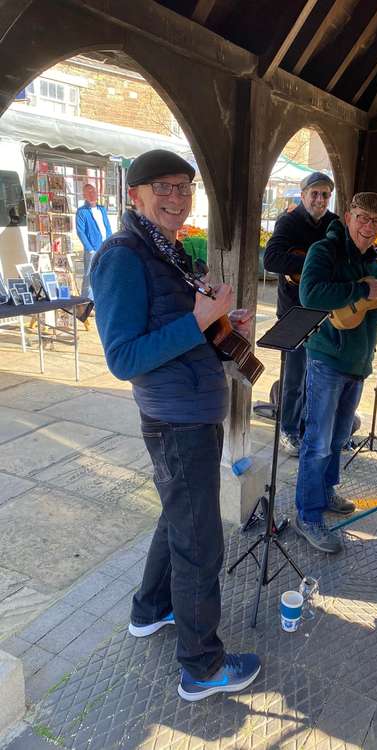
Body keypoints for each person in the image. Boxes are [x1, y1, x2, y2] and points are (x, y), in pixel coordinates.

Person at [90, 149, 261, 702]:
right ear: (134, 195)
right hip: (175, 419)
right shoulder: (122, 256)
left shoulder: (168, 250)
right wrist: (197, 321)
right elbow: (122, 358)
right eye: (162, 186)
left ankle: (151, 609)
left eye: (185, 186)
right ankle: (202, 667)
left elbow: (178, 329)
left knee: (177, 518)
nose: (176, 196)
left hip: (194, 409)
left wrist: (219, 325)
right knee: (200, 542)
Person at [294, 193, 377, 554]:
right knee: (316, 443)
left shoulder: (372, 260)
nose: (369, 227)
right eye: (364, 218)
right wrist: (359, 288)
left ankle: (326, 491)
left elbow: (371, 311)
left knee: (338, 438)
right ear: (349, 216)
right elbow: (310, 294)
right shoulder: (325, 250)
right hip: (328, 359)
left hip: (358, 362)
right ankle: (308, 516)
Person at [263, 171, 338, 457]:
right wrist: (311, 260)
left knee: (317, 372)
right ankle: (288, 430)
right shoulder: (289, 221)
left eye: (325, 195)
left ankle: (309, 425)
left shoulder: (334, 224)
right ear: (303, 194)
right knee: (294, 376)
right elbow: (271, 259)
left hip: (324, 309)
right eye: (314, 193)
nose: (319, 199)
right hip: (293, 309)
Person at [76, 183, 112, 299]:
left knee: (105, 273)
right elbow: (80, 232)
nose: (92, 194)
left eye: (94, 192)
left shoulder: (102, 209)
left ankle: (100, 299)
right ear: (84, 195)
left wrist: (110, 241)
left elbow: (107, 227)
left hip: (105, 247)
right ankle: (86, 302)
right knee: (89, 276)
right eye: (89, 192)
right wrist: (89, 248)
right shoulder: (82, 212)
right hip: (92, 249)